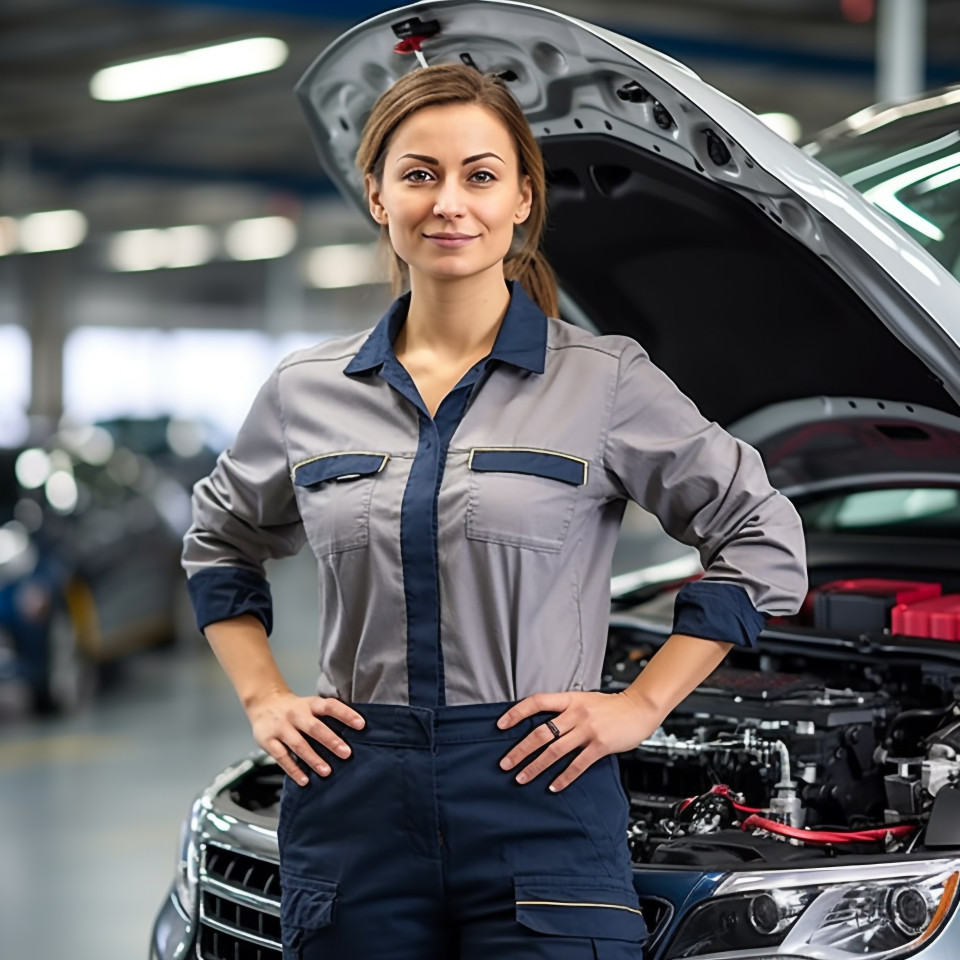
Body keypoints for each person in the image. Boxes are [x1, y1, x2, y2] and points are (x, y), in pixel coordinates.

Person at [182, 61, 807, 960]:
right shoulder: (302, 392)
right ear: (377, 196)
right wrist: (264, 697)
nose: (450, 203)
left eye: (479, 174)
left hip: (538, 789)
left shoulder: (604, 380)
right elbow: (219, 542)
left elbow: (760, 533)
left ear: (522, 198)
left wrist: (639, 706)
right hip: (354, 791)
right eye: (419, 174)